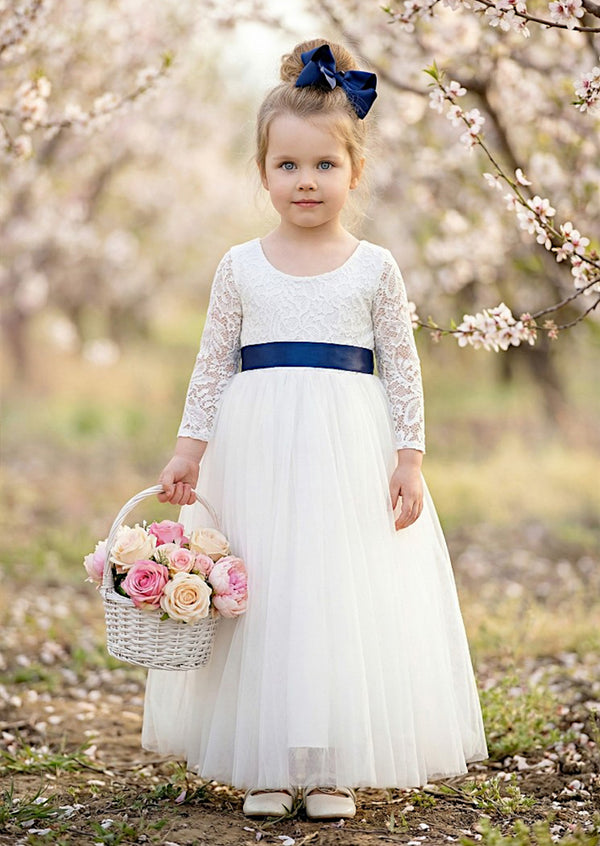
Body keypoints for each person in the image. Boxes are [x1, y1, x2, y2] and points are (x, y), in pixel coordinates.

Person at [142, 38, 488, 822]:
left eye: (325, 165)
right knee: (262, 591)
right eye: (288, 165)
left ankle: (330, 764)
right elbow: (211, 363)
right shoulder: (240, 265)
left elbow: (402, 368)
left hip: (346, 450)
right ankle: (267, 761)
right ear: (263, 173)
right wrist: (189, 450)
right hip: (256, 449)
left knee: (334, 593)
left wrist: (409, 458)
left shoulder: (374, 267)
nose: (306, 181)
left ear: (354, 171)